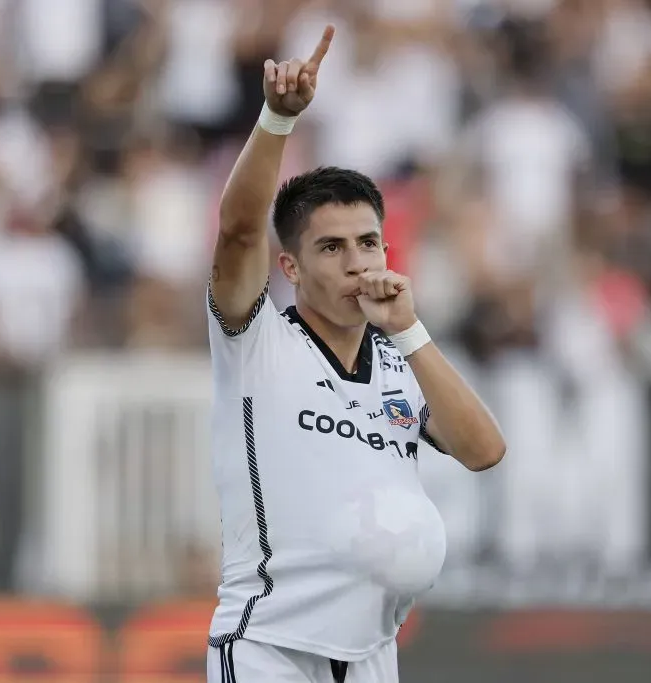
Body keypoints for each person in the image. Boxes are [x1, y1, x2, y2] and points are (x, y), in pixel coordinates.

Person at [204, 24, 505, 683]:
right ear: (291, 264)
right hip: (270, 646)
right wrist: (277, 120)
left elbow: (484, 450)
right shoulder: (255, 339)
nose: (355, 261)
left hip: (371, 658)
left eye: (368, 243)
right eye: (331, 247)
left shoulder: (401, 357)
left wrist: (411, 331)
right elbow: (237, 229)